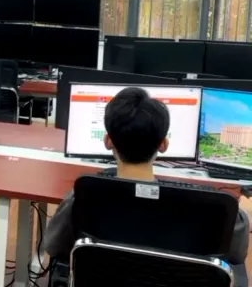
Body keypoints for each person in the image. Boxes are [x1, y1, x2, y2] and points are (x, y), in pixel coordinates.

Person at [44, 87, 250, 264]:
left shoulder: (84, 195)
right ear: (164, 145)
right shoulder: (213, 205)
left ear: (107, 141)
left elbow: (54, 247)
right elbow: (237, 255)